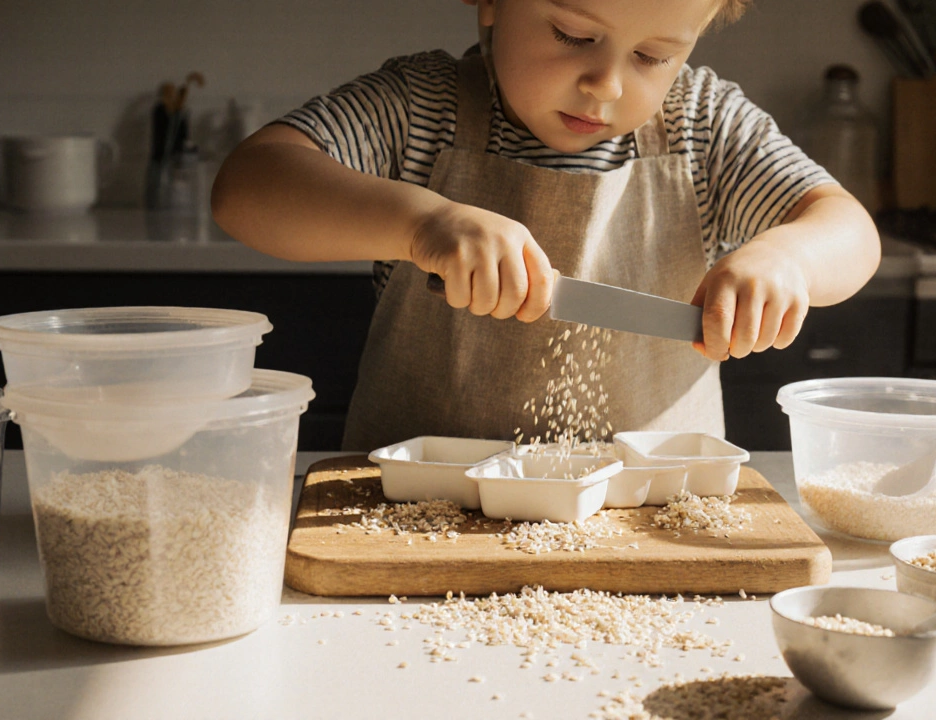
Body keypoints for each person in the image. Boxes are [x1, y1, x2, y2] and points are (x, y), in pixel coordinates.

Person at [212, 0, 881, 452]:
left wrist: (789, 259)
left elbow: (846, 227)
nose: (606, 84)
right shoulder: (420, 109)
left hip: (648, 512)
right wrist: (422, 222)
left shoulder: (705, 124)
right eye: (574, 37)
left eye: (652, 55)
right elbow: (248, 187)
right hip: (416, 509)